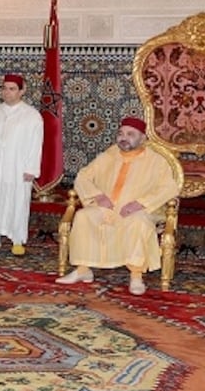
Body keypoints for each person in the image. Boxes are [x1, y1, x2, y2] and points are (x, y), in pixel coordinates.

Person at [56, 117, 180, 295]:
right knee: (83, 216)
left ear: (142, 138)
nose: (124, 138)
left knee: (138, 223)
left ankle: (136, 276)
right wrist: (97, 196)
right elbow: (83, 176)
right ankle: (83, 270)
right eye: (121, 133)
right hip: (107, 207)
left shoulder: (156, 161)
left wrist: (140, 203)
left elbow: (169, 187)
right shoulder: (108, 155)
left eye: (130, 134)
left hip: (139, 210)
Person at [0, 73, 43, 256]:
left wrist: (31, 168)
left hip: (18, 168)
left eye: (12, 89)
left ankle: (17, 240)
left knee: (17, 201)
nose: (8, 93)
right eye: (5, 88)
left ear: (22, 91)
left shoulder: (31, 115)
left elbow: (36, 144)